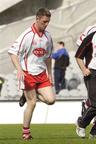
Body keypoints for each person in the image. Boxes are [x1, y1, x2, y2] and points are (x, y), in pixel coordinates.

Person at [8, 8, 55, 140]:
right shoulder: (27, 35)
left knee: (51, 101)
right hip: (27, 73)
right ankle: (26, 133)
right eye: (44, 22)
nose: (46, 24)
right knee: (32, 103)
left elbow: (48, 56)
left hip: (41, 73)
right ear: (37, 19)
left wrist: (49, 73)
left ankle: (26, 95)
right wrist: (19, 69)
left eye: (48, 22)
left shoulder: (48, 36)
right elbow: (12, 52)